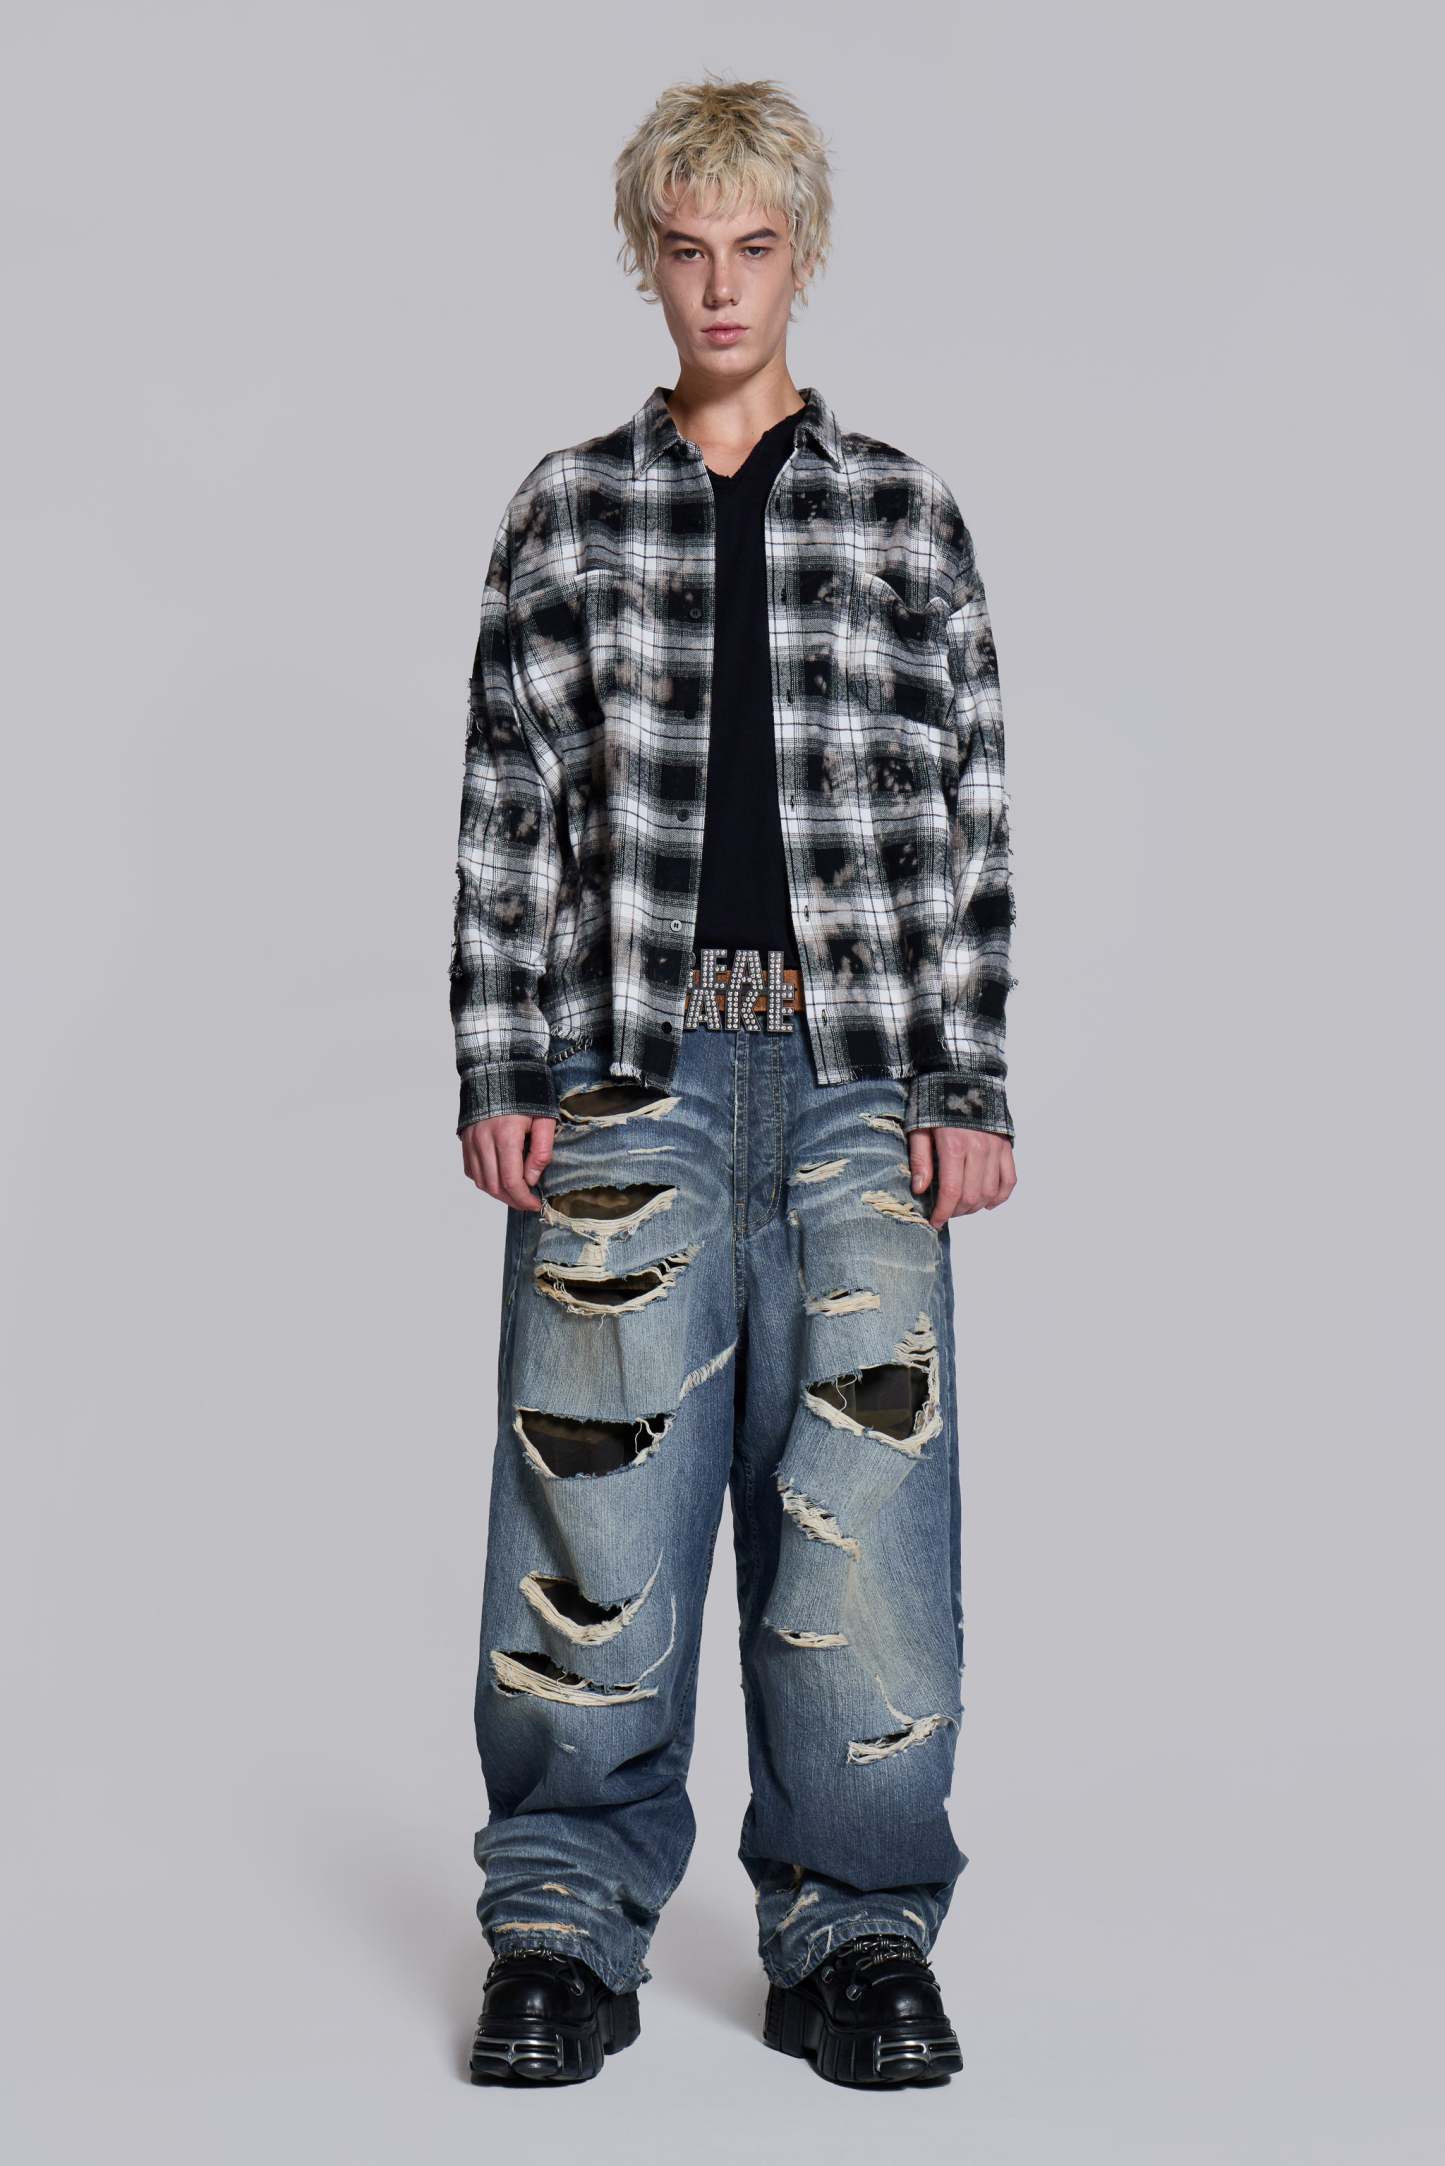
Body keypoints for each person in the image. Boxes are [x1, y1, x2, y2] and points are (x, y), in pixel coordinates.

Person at [450, 72, 1018, 2089]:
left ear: (802, 258)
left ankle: (857, 1930)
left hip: (858, 1072)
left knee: (863, 1522)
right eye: (686, 250)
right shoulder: (567, 508)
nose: (719, 285)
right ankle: (559, 1928)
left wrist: (967, 1078)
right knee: (591, 1509)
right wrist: (501, 1055)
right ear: (647, 259)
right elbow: (509, 802)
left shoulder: (903, 511)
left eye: (753, 249)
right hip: (629, 1066)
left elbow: (966, 811)